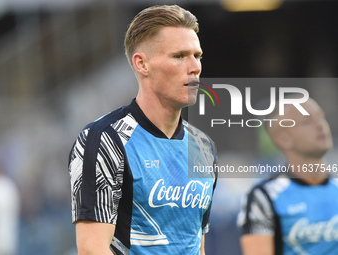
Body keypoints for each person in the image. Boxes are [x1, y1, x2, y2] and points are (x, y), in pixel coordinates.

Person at [68, 5, 217, 255]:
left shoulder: (204, 146)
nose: (195, 67)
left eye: (197, 56)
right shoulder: (105, 139)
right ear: (142, 64)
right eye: (179, 56)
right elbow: (92, 248)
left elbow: (196, 244)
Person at [237, 97, 338, 255]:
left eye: (321, 117)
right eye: (307, 121)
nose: (320, 126)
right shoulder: (264, 197)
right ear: (283, 139)